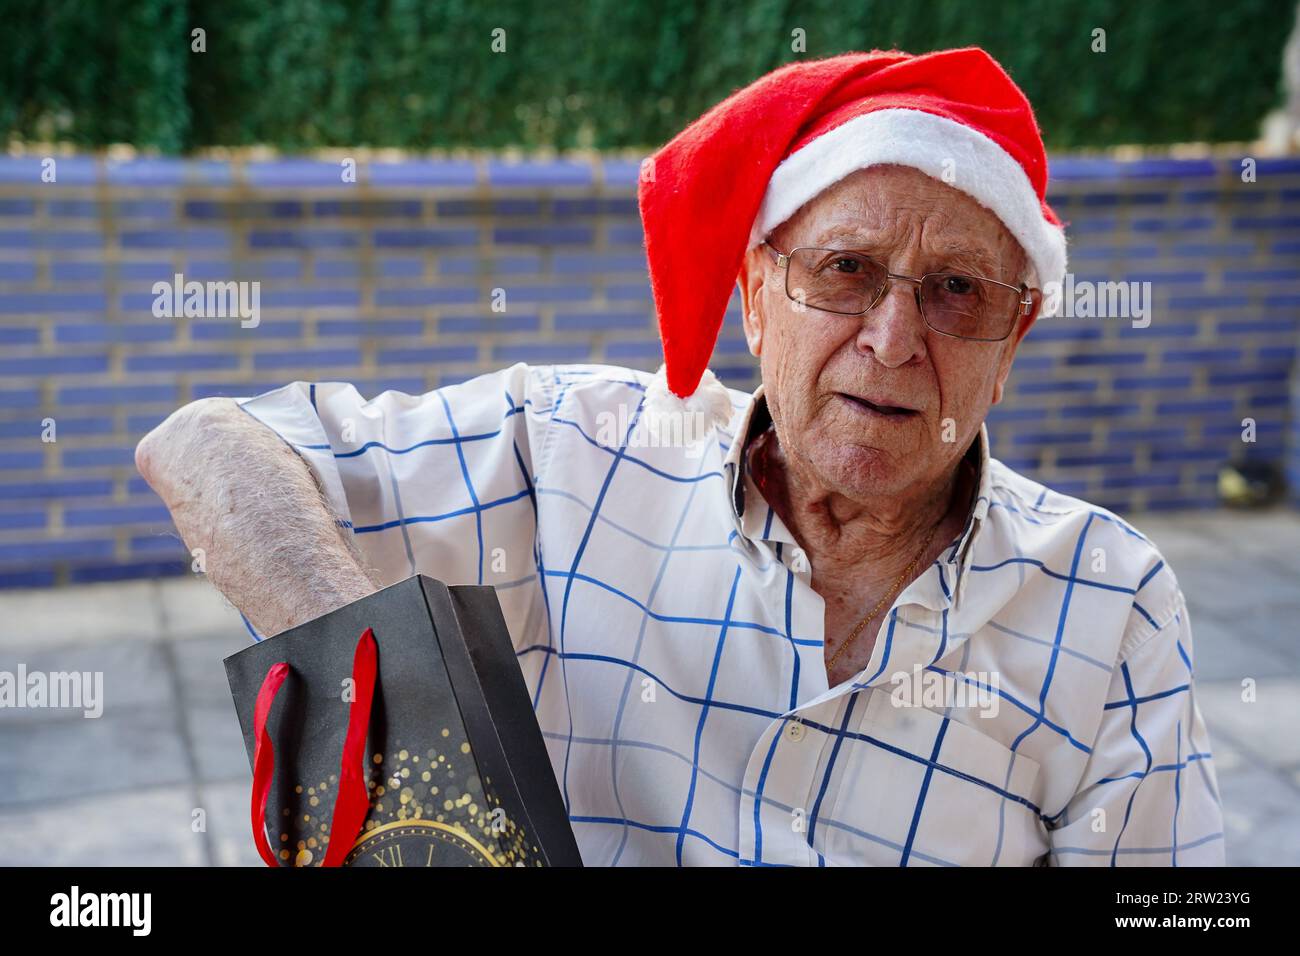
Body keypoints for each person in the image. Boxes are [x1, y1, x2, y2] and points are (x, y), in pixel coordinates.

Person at [137, 47, 1224, 866]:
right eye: (844, 269)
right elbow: (208, 446)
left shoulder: (1109, 598)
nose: (893, 339)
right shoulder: (573, 452)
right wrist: (401, 729)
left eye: (957, 290)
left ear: (1012, 340)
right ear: (753, 294)